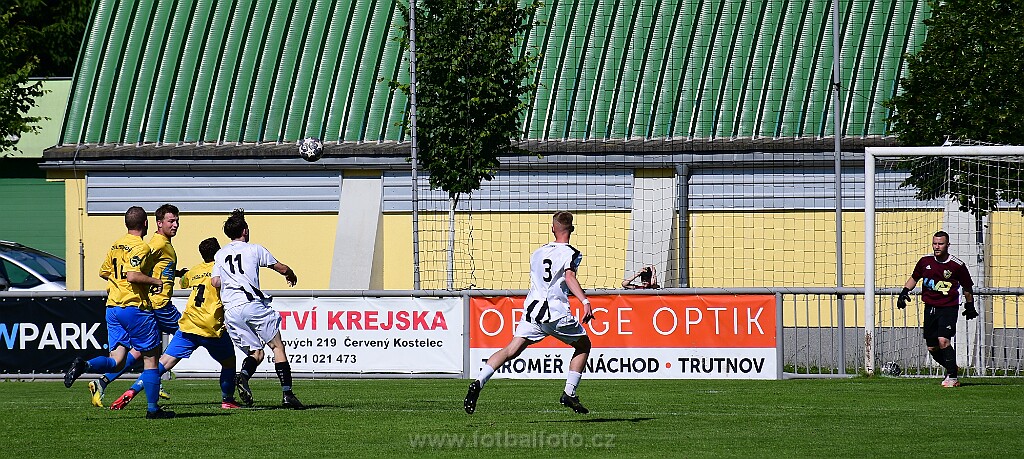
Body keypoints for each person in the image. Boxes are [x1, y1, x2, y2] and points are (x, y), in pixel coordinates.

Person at [464, 211, 595, 415]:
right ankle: (569, 392)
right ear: (572, 229)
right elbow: (569, 277)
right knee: (584, 345)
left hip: (532, 312)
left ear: (552, 229)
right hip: (555, 313)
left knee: (511, 350)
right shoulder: (572, 253)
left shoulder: (538, 252)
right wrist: (585, 301)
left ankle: (478, 382)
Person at [64, 206, 174, 419]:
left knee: (117, 360)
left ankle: (84, 365)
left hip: (113, 308)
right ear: (145, 224)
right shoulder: (141, 246)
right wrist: (155, 281)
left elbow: (104, 271)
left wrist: (120, 282)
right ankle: (153, 409)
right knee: (151, 359)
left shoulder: (116, 244)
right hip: (134, 307)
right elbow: (132, 275)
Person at [109, 238, 242, 410]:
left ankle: (132, 391)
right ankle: (227, 400)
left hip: (188, 324)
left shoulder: (195, 270)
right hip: (210, 327)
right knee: (229, 363)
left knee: (162, 364)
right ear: (219, 253)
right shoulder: (223, 271)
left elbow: (184, 282)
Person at [89, 204, 183, 407]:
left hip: (147, 304)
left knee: (140, 351)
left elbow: (147, 267)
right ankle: (148, 384)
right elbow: (136, 269)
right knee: (189, 334)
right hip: (159, 305)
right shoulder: (156, 243)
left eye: (177, 221)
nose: (175, 225)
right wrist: (153, 282)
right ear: (158, 223)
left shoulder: (159, 244)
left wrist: (175, 274)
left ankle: (102, 382)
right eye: (171, 221)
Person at [211, 209, 303, 409]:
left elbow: (215, 281)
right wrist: (291, 274)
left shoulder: (220, 254)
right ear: (245, 230)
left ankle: (243, 376)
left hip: (231, 310)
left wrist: (231, 280)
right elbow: (280, 268)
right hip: (251, 305)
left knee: (257, 353)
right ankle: (287, 394)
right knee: (277, 347)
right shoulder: (254, 249)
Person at [897, 230, 978, 387]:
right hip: (930, 307)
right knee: (932, 347)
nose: (937, 246)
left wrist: (970, 305)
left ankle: (953, 377)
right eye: (935, 243)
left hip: (948, 308)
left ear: (948, 245)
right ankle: (951, 367)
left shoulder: (957, 265)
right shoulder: (924, 262)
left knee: (943, 340)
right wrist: (904, 292)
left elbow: (967, 287)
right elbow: (914, 278)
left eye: (940, 244)